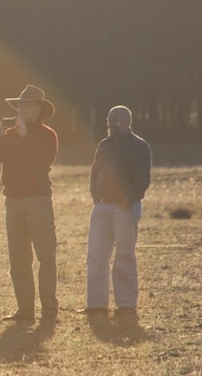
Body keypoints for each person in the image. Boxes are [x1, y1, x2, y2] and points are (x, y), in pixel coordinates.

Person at [0, 85, 59, 323]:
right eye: (19, 105)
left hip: (38, 200)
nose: (20, 109)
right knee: (18, 260)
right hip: (13, 202)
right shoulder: (10, 132)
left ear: (37, 109)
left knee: (46, 257)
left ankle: (49, 311)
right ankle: (25, 311)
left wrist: (26, 136)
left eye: (26, 105)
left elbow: (43, 161)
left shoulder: (47, 134)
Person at [78, 105, 151, 318]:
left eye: (116, 120)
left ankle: (126, 305)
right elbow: (94, 172)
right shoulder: (104, 145)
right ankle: (96, 305)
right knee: (95, 256)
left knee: (124, 256)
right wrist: (95, 196)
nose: (112, 124)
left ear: (128, 122)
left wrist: (127, 202)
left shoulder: (139, 146)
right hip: (101, 207)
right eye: (109, 120)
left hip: (125, 208)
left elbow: (142, 179)